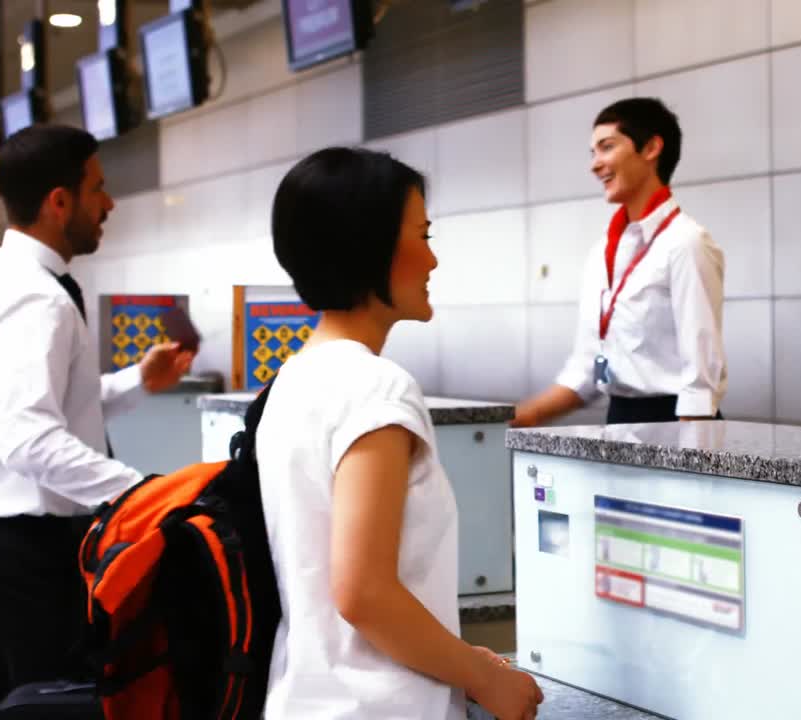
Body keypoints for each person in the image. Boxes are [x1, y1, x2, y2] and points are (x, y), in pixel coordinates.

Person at [256, 147, 543, 719]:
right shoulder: (374, 388)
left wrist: (455, 654)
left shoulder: (293, 379)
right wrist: (486, 678)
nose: (433, 261)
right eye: (423, 235)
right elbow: (364, 592)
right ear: (372, 246)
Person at [0, 124, 194, 715]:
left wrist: (138, 381)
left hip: (9, 550)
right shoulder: (35, 298)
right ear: (59, 201)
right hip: (29, 556)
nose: (109, 203)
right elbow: (27, 437)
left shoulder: (10, 283)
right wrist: (142, 493)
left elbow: (48, 405)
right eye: (98, 188)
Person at [514, 97, 726, 426]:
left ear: (652, 148)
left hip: (676, 423)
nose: (595, 164)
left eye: (607, 147)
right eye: (593, 152)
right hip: (621, 420)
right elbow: (586, 370)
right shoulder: (604, 252)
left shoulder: (686, 243)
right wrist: (519, 417)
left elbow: (700, 381)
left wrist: (689, 465)